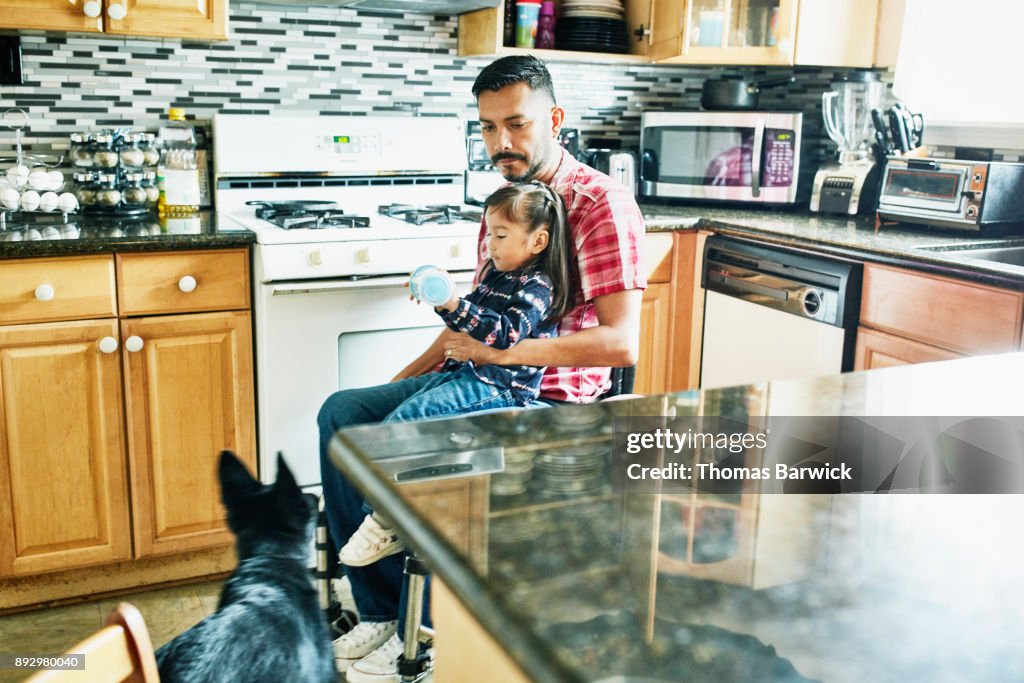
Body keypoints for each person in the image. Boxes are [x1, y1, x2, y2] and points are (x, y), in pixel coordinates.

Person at [321, 54, 647, 682]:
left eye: (517, 126)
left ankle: (435, 630)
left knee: (399, 435)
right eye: (489, 128)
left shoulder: (601, 205)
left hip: (548, 403)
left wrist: (501, 355)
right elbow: (471, 321)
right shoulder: (505, 206)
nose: (502, 143)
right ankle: (384, 614)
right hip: (475, 378)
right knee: (343, 415)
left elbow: (620, 343)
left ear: (554, 119)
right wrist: (397, 383)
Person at [338, 181, 572, 568]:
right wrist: (440, 298)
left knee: (404, 424)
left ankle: (385, 520)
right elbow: (465, 318)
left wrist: (452, 303)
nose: (491, 245)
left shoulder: (538, 286)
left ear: (538, 241)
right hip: (469, 377)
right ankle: (386, 509)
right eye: (490, 234)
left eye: (501, 235)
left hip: (501, 388)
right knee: (398, 416)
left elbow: (503, 334)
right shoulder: (498, 277)